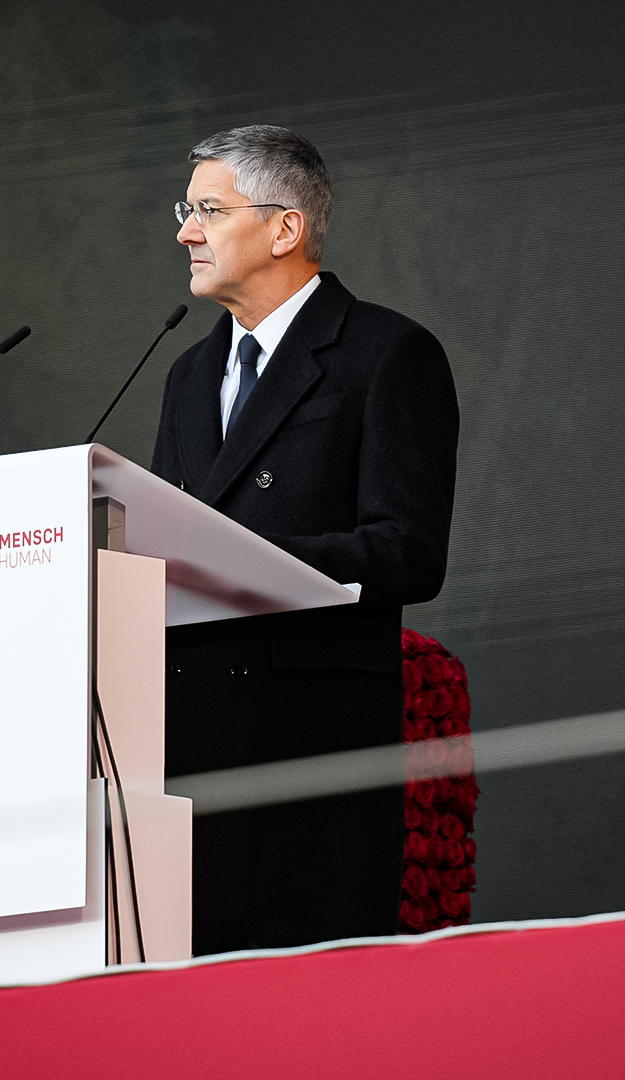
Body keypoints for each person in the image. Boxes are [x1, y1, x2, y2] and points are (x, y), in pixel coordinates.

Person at [151, 125, 459, 953]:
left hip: (307, 753)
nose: (185, 231)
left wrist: (254, 563)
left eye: (208, 210)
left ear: (284, 229)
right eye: (187, 210)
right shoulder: (186, 375)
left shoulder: (387, 354)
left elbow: (409, 550)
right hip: (183, 757)